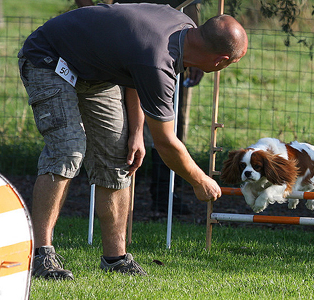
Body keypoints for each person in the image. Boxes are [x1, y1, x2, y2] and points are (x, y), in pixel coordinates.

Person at [18, 3, 248, 280]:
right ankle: (40, 254)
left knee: (119, 158)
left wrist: (136, 133)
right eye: (230, 64)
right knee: (68, 150)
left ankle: (115, 259)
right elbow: (166, 143)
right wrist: (200, 180)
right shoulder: (158, 58)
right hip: (50, 59)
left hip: (96, 73)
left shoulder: (180, 27)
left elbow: (136, 71)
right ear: (219, 61)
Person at [75, 0, 203, 215]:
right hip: (124, 54)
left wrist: (197, 56)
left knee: (168, 125)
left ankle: (164, 195)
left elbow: (191, 8)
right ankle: (118, 197)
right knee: (126, 132)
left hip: (168, 50)